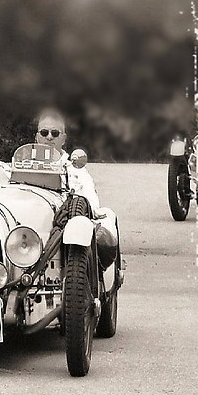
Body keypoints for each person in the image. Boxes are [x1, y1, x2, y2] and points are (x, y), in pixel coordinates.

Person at [33, 107, 118, 273]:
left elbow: (91, 203)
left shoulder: (75, 168)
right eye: (44, 133)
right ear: (37, 137)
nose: (49, 137)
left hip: (65, 224)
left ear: (63, 138)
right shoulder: (23, 165)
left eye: (55, 133)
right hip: (34, 225)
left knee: (102, 223)